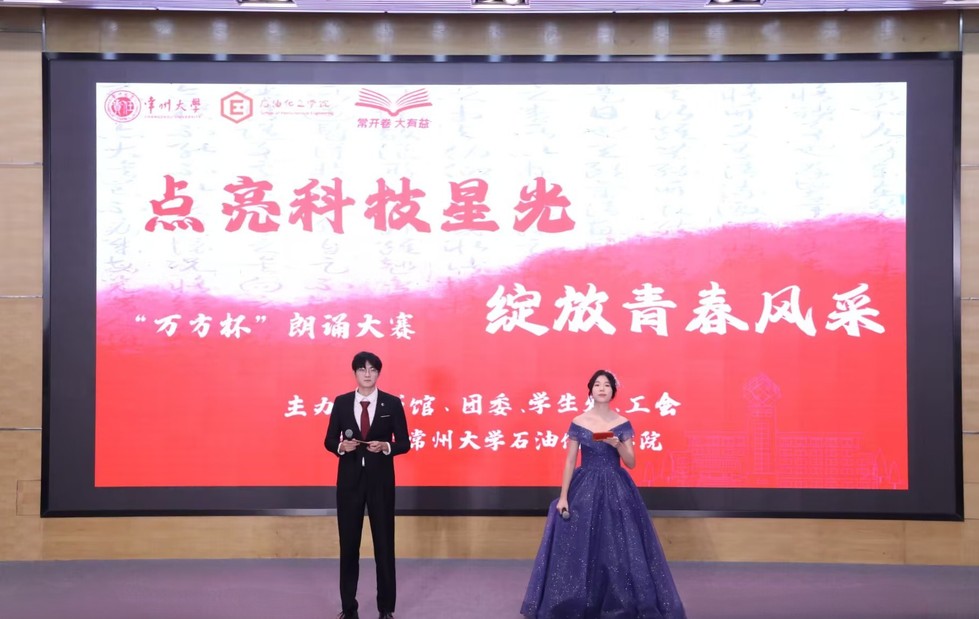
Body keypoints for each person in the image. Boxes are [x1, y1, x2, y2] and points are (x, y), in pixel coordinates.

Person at [520, 369, 687, 619]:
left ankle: (620, 601)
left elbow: (631, 462)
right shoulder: (579, 421)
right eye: (597, 384)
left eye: (606, 385)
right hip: (584, 488)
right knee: (581, 546)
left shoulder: (622, 423)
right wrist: (563, 496)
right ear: (590, 390)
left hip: (616, 488)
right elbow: (570, 461)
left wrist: (618, 444)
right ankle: (579, 601)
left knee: (618, 547)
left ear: (613, 392)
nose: (601, 388)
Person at [324, 351, 411, 619]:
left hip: (380, 482)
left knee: (384, 545)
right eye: (362, 369)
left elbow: (404, 443)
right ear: (355, 373)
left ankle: (386, 608)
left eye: (372, 369)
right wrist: (342, 446)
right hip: (349, 483)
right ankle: (349, 608)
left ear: (378, 373)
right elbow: (329, 440)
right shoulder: (341, 403)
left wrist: (385, 446)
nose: (367, 374)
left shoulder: (392, 403)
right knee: (349, 545)